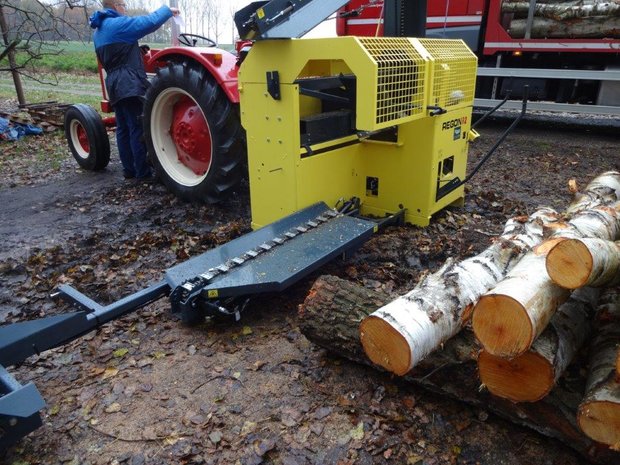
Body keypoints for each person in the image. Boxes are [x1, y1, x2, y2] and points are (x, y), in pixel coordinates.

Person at [89, 2, 180, 182]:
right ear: (114, 4)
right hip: (128, 83)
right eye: (123, 3)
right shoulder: (117, 24)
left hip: (114, 84)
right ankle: (143, 173)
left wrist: (135, 51)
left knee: (123, 128)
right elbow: (147, 22)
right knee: (136, 128)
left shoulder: (99, 30)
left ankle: (129, 170)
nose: (125, 7)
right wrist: (167, 11)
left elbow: (115, 55)